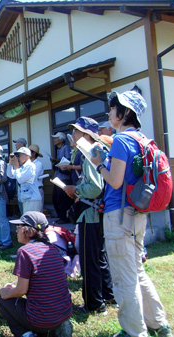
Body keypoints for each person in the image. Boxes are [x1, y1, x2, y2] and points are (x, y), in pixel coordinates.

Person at [91, 91, 173, 337]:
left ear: (125, 113)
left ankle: (134, 331)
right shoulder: (142, 140)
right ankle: (159, 324)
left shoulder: (121, 141)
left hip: (118, 215)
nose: (109, 112)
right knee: (136, 270)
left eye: (113, 107)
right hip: (137, 214)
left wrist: (98, 164)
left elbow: (115, 181)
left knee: (123, 278)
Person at [62, 117, 115, 316]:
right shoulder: (97, 152)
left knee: (89, 259)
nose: (72, 135)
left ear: (86, 135)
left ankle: (94, 304)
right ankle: (109, 296)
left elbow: (94, 188)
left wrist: (75, 189)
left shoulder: (90, 153)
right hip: (97, 212)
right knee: (99, 256)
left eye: (76, 131)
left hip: (90, 214)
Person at [0, 211, 73, 337]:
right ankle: (59, 326)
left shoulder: (25, 252)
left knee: (2, 301)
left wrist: (6, 293)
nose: (16, 231)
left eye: (19, 227)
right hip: (65, 312)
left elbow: (21, 290)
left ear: (29, 231)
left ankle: (27, 334)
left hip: (41, 320)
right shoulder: (53, 249)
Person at [7, 147, 42, 214]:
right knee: (27, 221)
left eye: (19, 155)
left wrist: (16, 167)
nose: (18, 158)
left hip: (32, 199)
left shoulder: (30, 166)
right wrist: (10, 163)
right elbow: (10, 175)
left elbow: (20, 180)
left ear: (26, 155)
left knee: (32, 222)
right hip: (26, 198)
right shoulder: (22, 167)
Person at [50, 132, 72, 223]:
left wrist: (56, 160)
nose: (54, 140)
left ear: (61, 139)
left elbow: (67, 160)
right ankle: (60, 216)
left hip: (64, 178)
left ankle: (64, 218)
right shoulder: (58, 150)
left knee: (62, 199)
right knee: (55, 198)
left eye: (56, 138)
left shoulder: (65, 148)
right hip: (58, 177)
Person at [28, 144, 45, 211]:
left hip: (37, 190)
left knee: (38, 213)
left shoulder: (38, 164)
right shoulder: (26, 164)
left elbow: (33, 176)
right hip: (28, 191)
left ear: (34, 153)